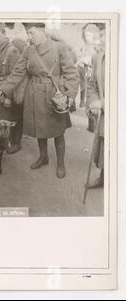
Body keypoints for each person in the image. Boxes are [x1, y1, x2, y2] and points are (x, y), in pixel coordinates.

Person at [0, 23, 79, 178]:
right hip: (34, 95)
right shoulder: (28, 50)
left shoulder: (58, 47)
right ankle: (43, 157)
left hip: (54, 95)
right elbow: (17, 73)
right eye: (27, 33)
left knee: (57, 131)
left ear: (41, 31)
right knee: (40, 129)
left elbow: (72, 74)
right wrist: (3, 89)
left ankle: (60, 163)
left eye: (31, 33)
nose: (29, 37)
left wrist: (70, 96)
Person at [0, 23, 23, 154]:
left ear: (4, 34)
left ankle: (16, 143)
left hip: (11, 93)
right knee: (3, 117)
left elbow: (17, 76)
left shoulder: (12, 51)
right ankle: (5, 140)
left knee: (14, 118)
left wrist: (8, 96)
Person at [85, 26, 105, 188]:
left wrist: (104, 102)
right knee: (104, 144)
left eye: (104, 35)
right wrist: (94, 101)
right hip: (105, 114)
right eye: (101, 35)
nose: (101, 39)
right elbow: (92, 84)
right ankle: (103, 177)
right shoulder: (98, 57)